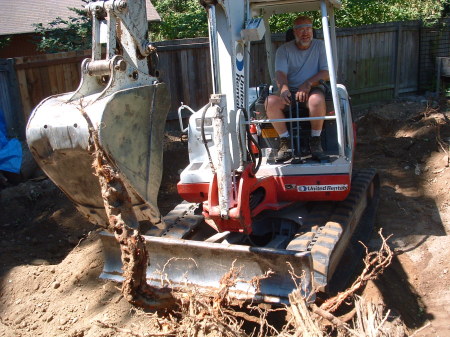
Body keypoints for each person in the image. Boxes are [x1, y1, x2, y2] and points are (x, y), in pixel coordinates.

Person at [266, 16, 329, 162]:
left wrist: (307, 84)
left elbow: (326, 72)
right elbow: (280, 73)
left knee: (316, 100)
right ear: (294, 32)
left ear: (312, 30)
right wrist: (284, 88)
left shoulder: (320, 46)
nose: (305, 32)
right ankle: (285, 143)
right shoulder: (283, 50)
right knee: (270, 102)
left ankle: (315, 141)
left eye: (308, 28)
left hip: (313, 89)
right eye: (301, 29)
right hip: (290, 91)